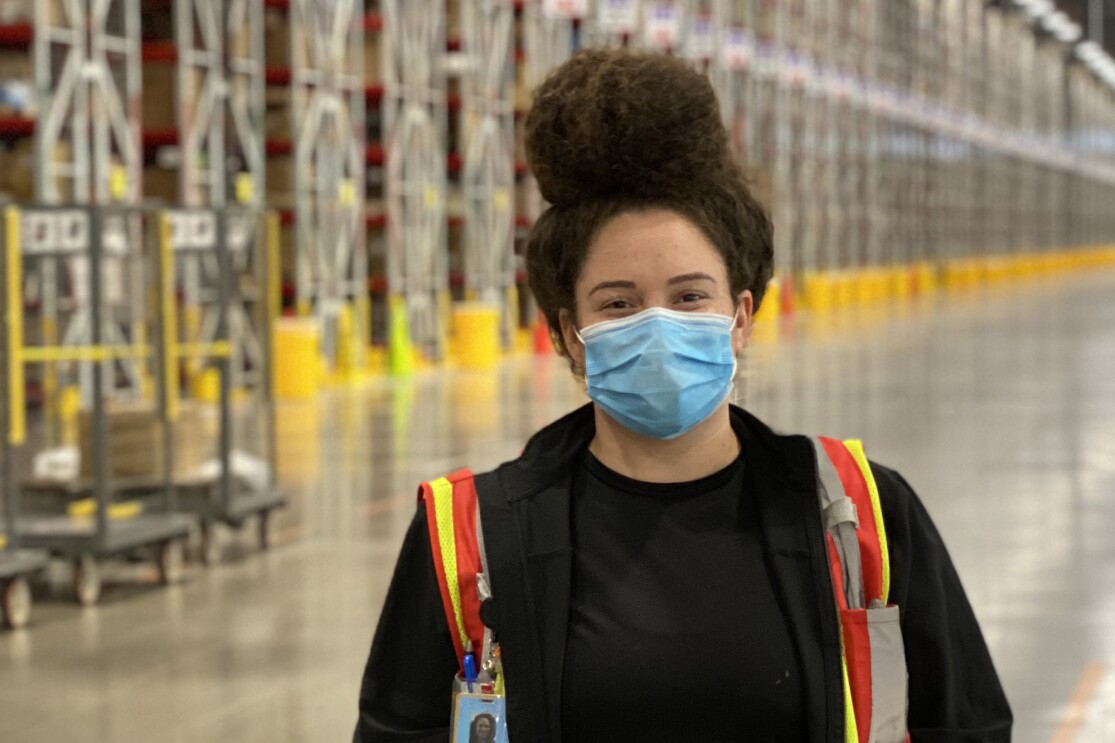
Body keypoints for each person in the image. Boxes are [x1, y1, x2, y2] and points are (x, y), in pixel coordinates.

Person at [354, 49, 1012, 743]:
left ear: (741, 315)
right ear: (568, 333)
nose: (658, 324)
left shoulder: (862, 517)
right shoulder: (470, 538)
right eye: (618, 303)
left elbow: (966, 725)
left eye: (689, 295)